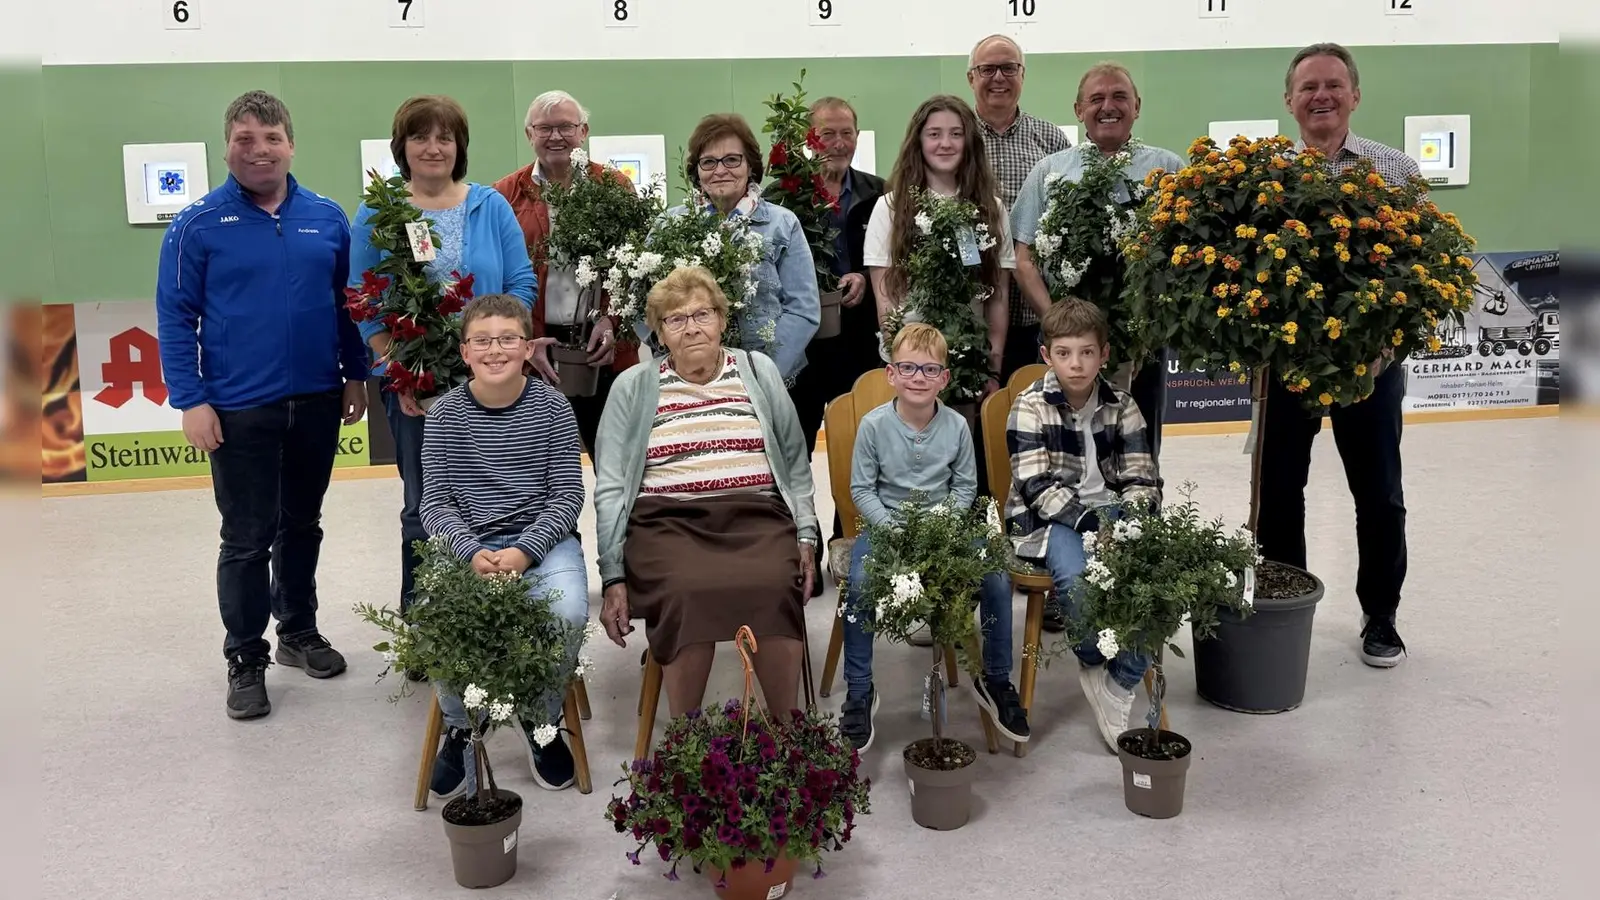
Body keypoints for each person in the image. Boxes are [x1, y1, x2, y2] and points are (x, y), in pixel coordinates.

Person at [156, 90, 369, 720]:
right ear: (227, 146)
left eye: (271, 139)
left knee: (302, 523)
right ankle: (244, 656)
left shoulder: (327, 218)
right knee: (247, 537)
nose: (259, 151)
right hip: (238, 406)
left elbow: (348, 307)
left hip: (317, 397)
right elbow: (175, 317)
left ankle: (297, 633)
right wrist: (191, 400)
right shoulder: (196, 224)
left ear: (291, 145)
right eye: (245, 139)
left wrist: (355, 375)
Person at [594, 266, 818, 717]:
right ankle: (687, 747)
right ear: (659, 332)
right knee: (686, 589)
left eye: (702, 314)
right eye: (675, 319)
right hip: (666, 524)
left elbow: (795, 461)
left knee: (775, 584)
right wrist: (613, 573)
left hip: (757, 517)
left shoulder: (757, 370)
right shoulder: (633, 386)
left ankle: (789, 739)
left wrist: (807, 534)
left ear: (722, 319)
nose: (692, 327)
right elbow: (612, 487)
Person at [1261, 42, 1421, 668]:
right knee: (1278, 490)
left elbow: (1419, 270)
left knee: (1378, 492)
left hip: (1371, 365)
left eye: (1333, 85)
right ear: (1289, 101)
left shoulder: (1396, 170)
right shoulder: (1263, 174)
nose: (1320, 96)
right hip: (1284, 364)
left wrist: (1384, 346)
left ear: (1355, 94)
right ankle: (1285, 601)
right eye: (1308, 87)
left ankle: (1381, 615)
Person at [350, 95, 537, 618]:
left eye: (445, 138)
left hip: (493, 378)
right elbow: (364, 300)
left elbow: (521, 281)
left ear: (460, 147)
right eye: (419, 137)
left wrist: (499, 347)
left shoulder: (490, 205)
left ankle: (504, 610)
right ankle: (425, 621)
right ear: (401, 147)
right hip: (418, 382)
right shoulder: (379, 212)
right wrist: (403, 374)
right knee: (425, 503)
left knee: (502, 494)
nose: (433, 148)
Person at [417, 294, 588, 798]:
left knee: (571, 612)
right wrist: (470, 552)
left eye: (508, 339)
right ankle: (461, 725)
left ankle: (542, 719)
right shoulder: (444, 416)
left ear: (528, 347)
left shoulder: (553, 407)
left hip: (542, 543)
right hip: (468, 546)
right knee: (435, 616)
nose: (496, 350)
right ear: (465, 351)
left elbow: (567, 495)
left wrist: (525, 552)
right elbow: (435, 506)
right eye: (483, 341)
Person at [839, 323, 1030, 752]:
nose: (918, 378)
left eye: (929, 370)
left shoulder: (958, 427)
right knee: (860, 584)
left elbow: (965, 488)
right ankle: (859, 690)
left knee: (996, 575)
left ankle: (996, 680)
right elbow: (862, 490)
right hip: (888, 527)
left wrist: (941, 526)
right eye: (907, 367)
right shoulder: (873, 426)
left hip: (946, 527)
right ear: (891, 374)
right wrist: (892, 527)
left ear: (944, 378)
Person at [1004, 299, 1161, 752]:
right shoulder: (1029, 406)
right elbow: (1036, 485)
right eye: (1066, 352)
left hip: (1113, 513)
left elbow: (1139, 476)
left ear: (1104, 354)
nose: (1077, 363)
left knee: (1161, 577)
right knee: (1074, 579)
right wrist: (1093, 524)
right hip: (1051, 518)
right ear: (1046, 355)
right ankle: (1096, 660)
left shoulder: (1123, 405)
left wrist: (1131, 522)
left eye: (1087, 352)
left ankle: (1119, 679)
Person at [1011, 62, 1185, 462]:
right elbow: (1024, 258)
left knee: (1138, 446)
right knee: (1064, 447)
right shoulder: (1051, 172)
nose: (1108, 106)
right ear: (1078, 109)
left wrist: (1152, 321)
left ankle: (1140, 520)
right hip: (1067, 345)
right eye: (1096, 99)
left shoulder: (1169, 170)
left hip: (1143, 343)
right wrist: (1057, 321)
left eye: (1119, 96)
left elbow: (1185, 255)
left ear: (1137, 106)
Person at [764, 95, 886, 596]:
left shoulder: (880, 194)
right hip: (799, 347)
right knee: (792, 447)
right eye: (826, 134)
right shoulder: (781, 195)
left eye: (846, 133)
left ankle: (847, 541)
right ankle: (801, 546)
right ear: (807, 140)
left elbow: (889, 258)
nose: (837, 143)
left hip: (858, 343)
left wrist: (861, 277)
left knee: (856, 444)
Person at [492, 90, 638, 458]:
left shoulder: (615, 188)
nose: (555, 136)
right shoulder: (505, 195)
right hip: (534, 353)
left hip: (604, 348)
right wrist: (526, 340)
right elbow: (502, 279)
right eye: (544, 128)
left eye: (565, 127)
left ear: (583, 131)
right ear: (529, 134)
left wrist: (613, 320)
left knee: (619, 464)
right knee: (539, 470)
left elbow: (635, 269)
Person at [646, 115, 820, 385]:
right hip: (687, 379)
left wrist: (762, 373)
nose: (720, 170)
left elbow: (803, 309)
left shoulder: (782, 223)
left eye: (732, 159)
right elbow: (640, 302)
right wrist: (677, 356)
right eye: (709, 162)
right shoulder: (668, 224)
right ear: (697, 170)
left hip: (769, 378)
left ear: (750, 165)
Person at [966, 34, 1073, 382]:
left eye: (1009, 68)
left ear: (1022, 75)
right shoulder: (955, 137)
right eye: (988, 69)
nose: (999, 78)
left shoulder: (1051, 138)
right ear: (971, 78)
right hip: (972, 310)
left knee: (1038, 416)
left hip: (1036, 312)